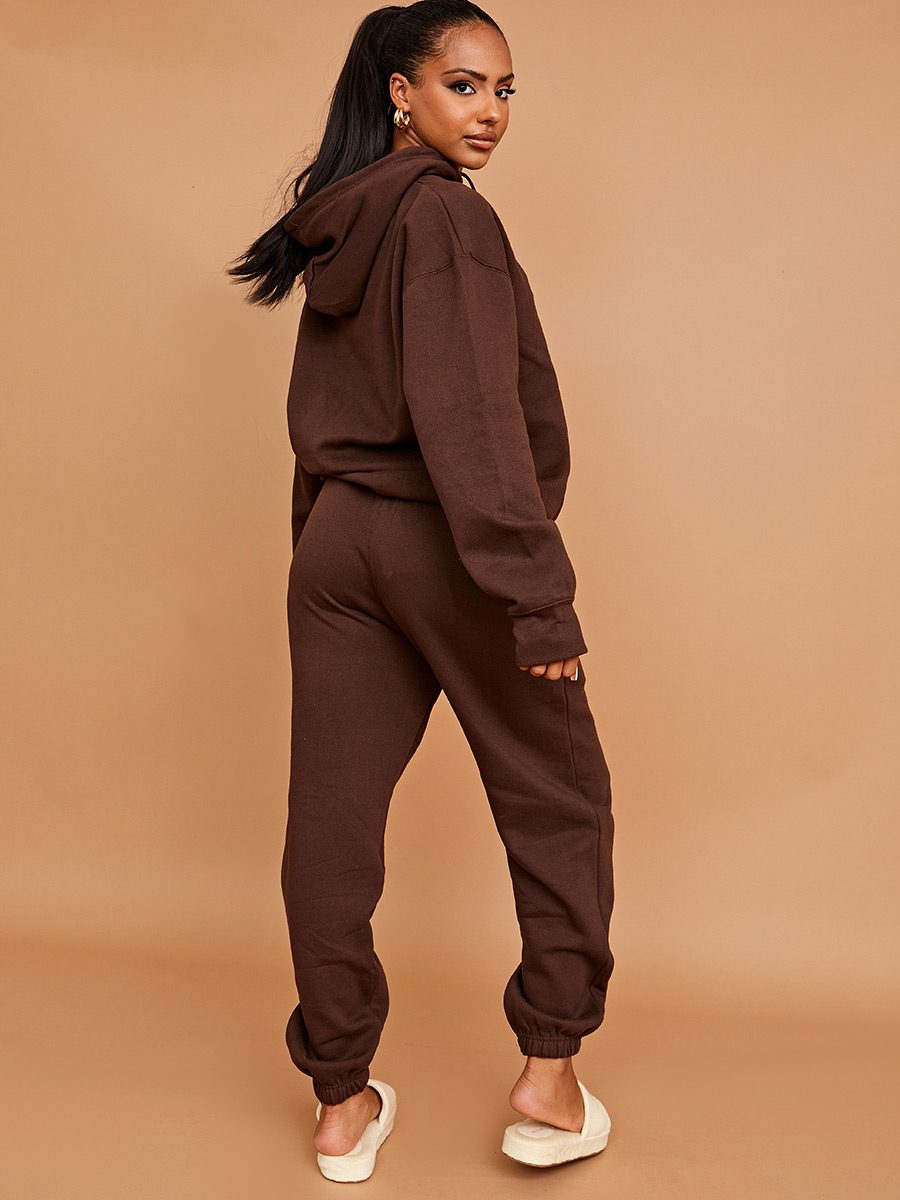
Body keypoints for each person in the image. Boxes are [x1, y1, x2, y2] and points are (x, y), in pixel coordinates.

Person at [228, 0, 615, 1180]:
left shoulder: (343, 219)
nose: (489, 112)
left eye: (504, 90)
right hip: (451, 547)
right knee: (559, 800)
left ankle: (341, 1099)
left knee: (329, 826)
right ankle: (549, 1078)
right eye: (463, 84)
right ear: (401, 92)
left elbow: (323, 410)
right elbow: (473, 422)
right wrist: (536, 597)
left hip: (341, 546)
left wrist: (323, 545)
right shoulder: (445, 217)